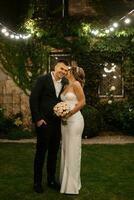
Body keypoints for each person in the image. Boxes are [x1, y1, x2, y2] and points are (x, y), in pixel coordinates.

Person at [29, 60, 69, 193]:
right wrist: (38, 119)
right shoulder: (43, 79)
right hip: (44, 122)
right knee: (41, 153)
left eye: (66, 70)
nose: (63, 72)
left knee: (53, 152)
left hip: (57, 123)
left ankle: (51, 180)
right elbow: (33, 99)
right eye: (62, 68)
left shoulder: (64, 83)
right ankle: (37, 182)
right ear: (55, 67)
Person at [59, 63, 86, 194]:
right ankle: (64, 182)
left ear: (72, 72)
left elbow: (82, 102)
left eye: (67, 70)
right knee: (65, 149)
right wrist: (60, 111)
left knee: (73, 150)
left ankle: (72, 185)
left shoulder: (76, 84)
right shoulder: (65, 85)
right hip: (64, 121)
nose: (65, 71)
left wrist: (69, 113)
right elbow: (64, 102)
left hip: (75, 121)